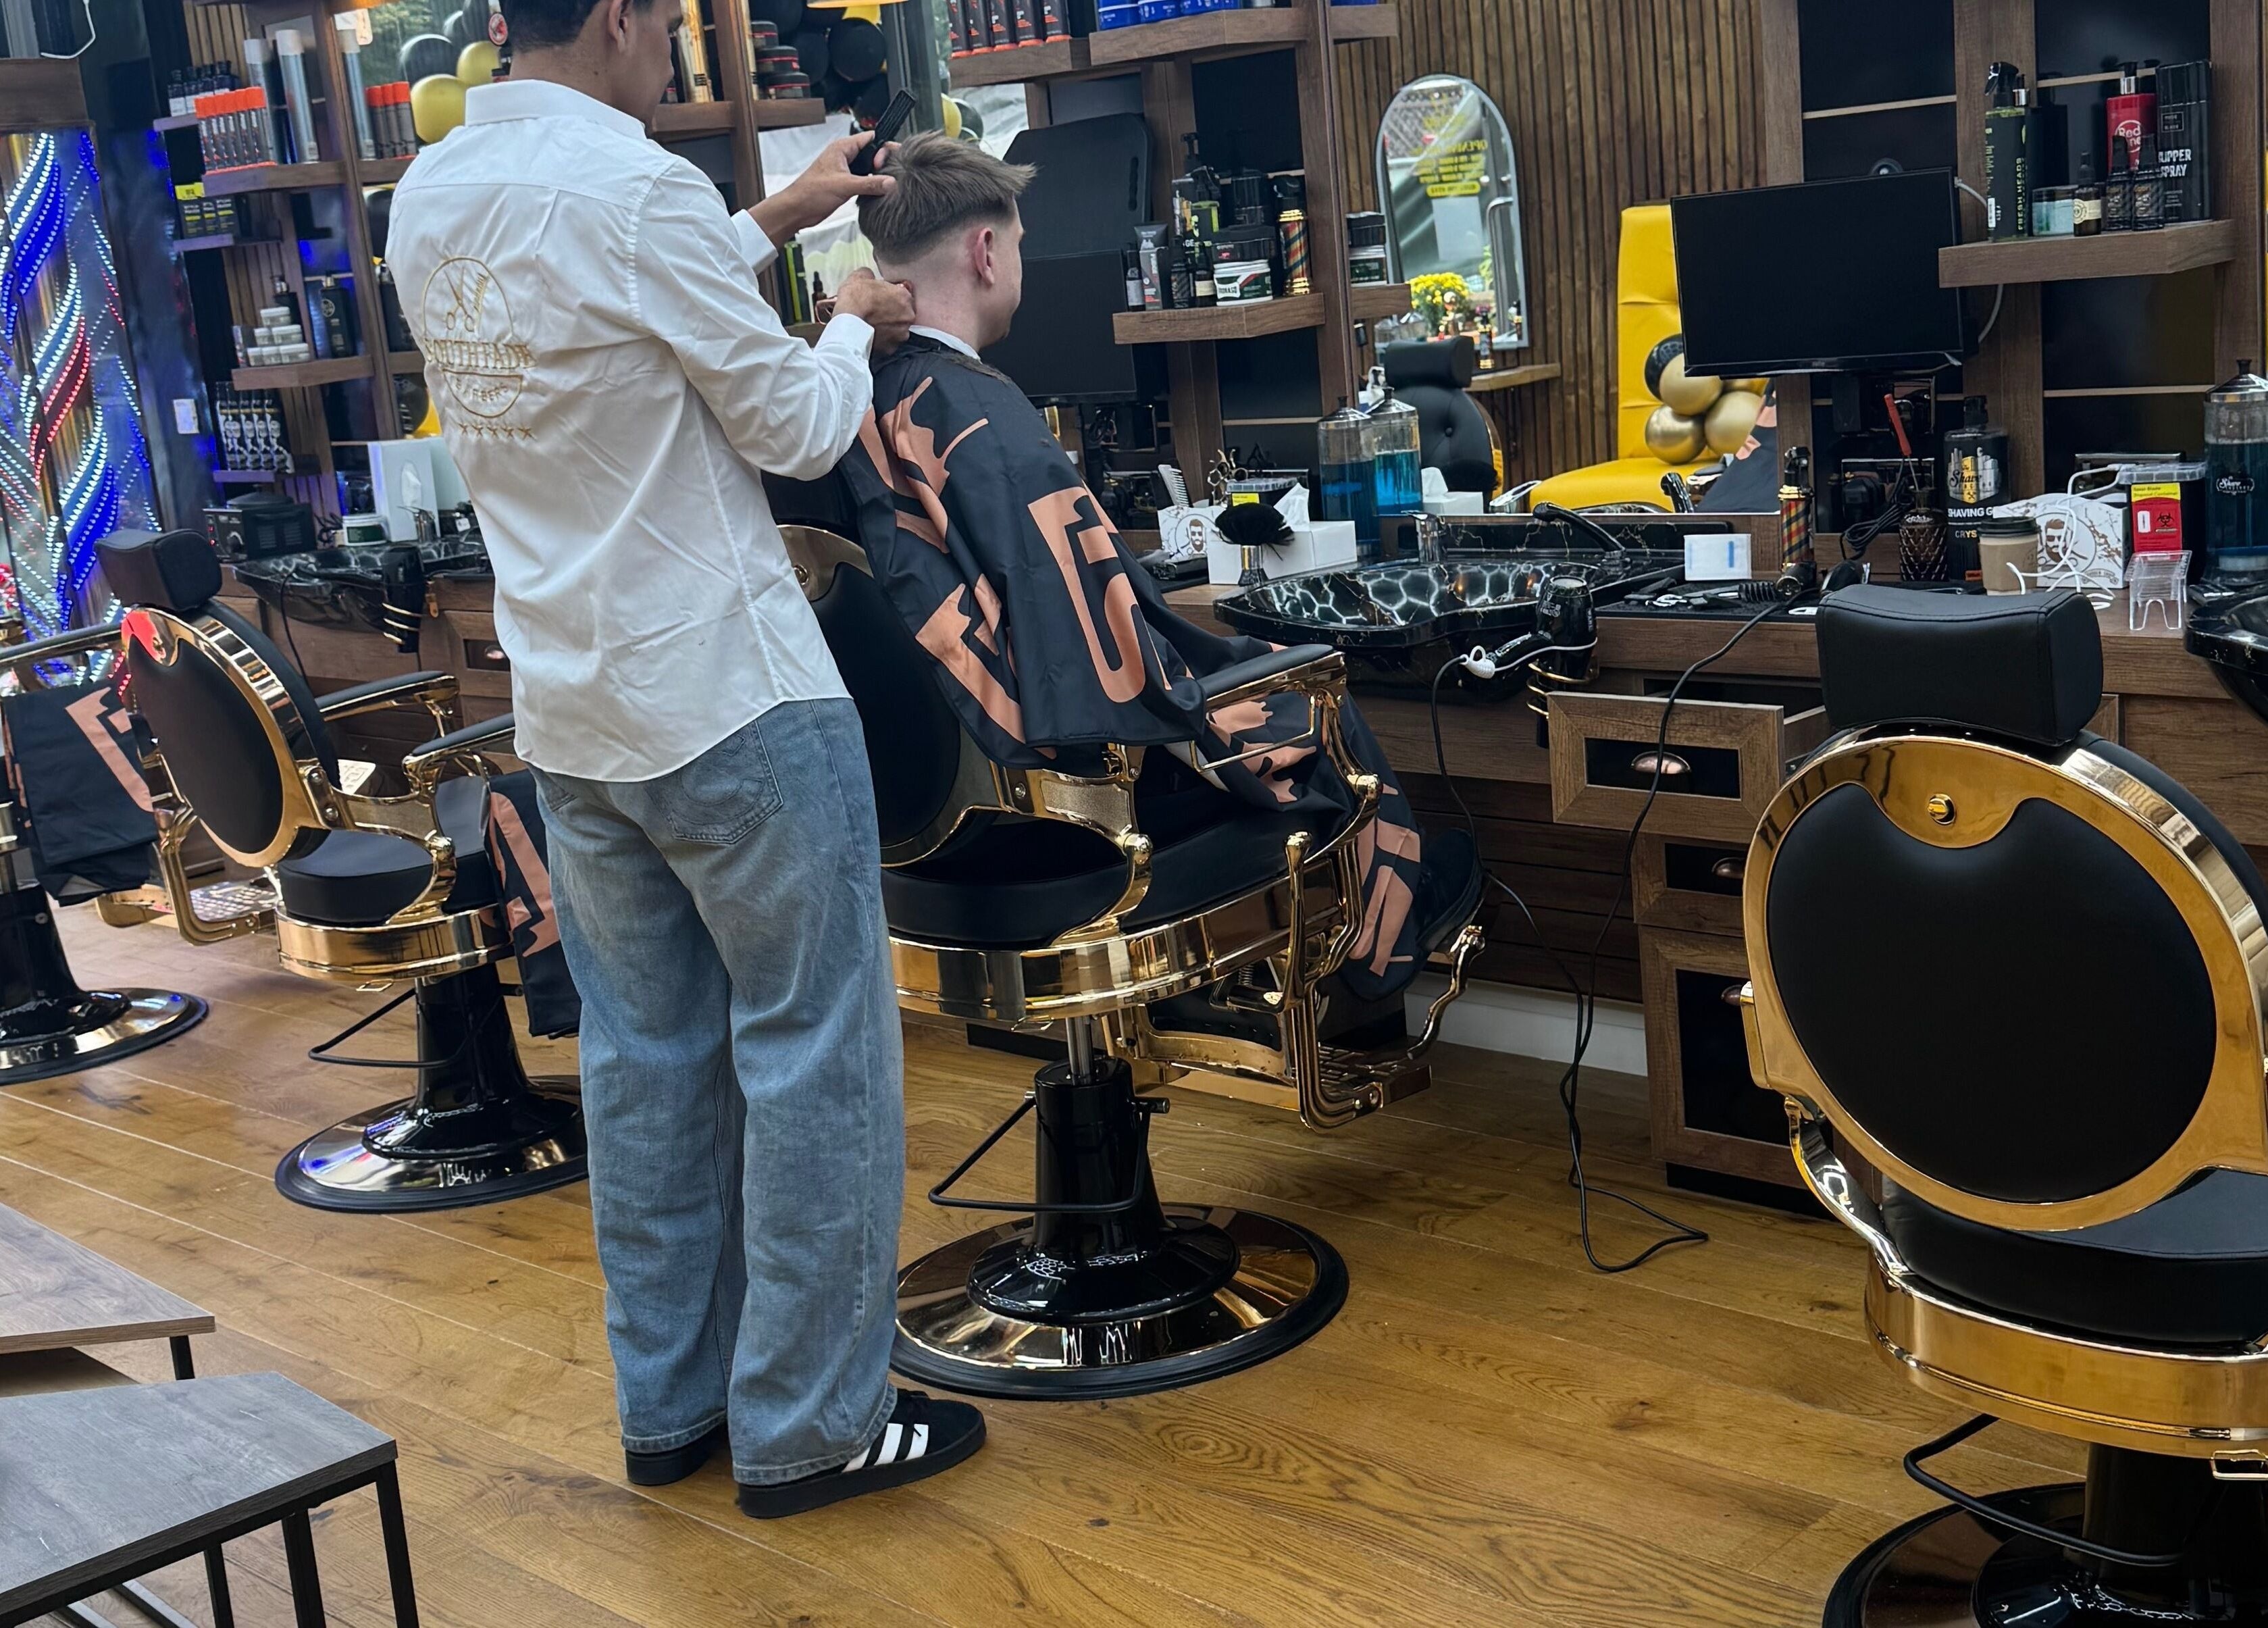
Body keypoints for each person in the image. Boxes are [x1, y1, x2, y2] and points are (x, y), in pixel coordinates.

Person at [385, 0, 985, 1519]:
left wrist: (768, 221)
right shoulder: (633, 191)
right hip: (732, 700)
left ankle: (674, 1407)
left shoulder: (435, 193)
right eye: (661, 19)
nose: (672, 47)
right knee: (814, 1061)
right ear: (619, 17)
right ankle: (810, 1426)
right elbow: (790, 426)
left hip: (576, 714)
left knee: (644, 1068)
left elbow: (601, 318)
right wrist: (852, 313)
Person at [839, 136, 1476, 1007]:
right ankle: (1375, 969)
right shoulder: (983, 413)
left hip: (929, 822)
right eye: (1019, 244)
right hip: (1079, 818)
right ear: (985, 252)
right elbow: (1109, 665)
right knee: (1309, 699)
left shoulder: (844, 400)